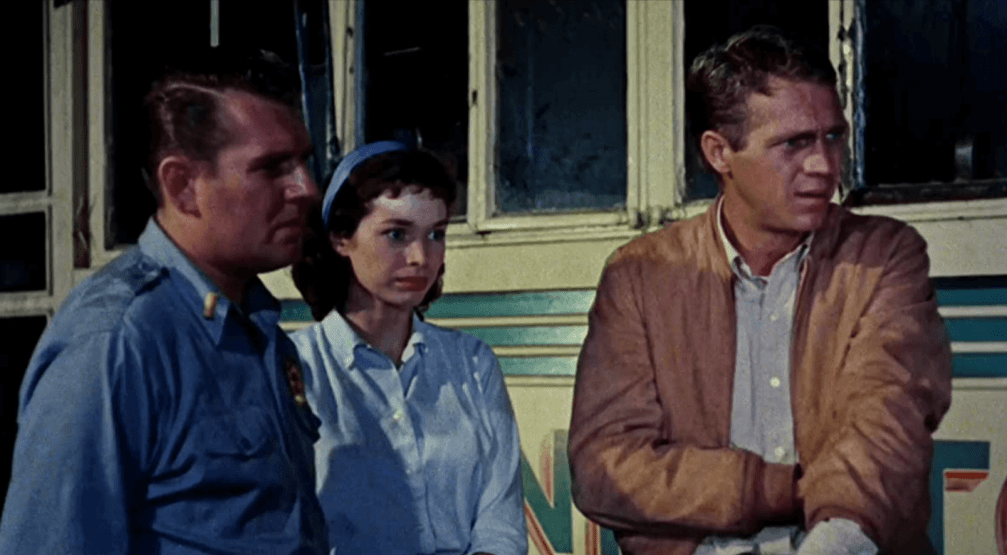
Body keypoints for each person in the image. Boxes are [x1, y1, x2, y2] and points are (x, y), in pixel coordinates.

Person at [568, 26, 952, 555]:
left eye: (832, 137)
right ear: (720, 153)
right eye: (794, 143)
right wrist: (779, 490)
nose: (822, 165)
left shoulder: (884, 256)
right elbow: (606, 465)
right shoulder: (640, 275)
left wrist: (835, 538)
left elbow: (888, 416)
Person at [0, 49, 329, 554]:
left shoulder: (257, 330)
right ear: (183, 185)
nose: (306, 188)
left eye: (304, 162)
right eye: (272, 168)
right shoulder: (116, 341)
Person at [289, 141, 527, 555]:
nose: (421, 257)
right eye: (396, 234)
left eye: (435, 234)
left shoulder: (472, 363)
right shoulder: (293, 367)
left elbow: (500, 521)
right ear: (341, 239)